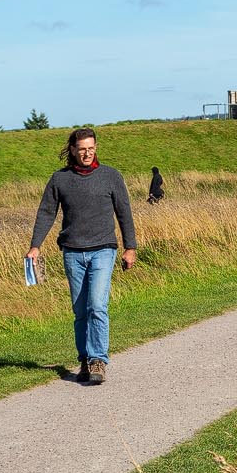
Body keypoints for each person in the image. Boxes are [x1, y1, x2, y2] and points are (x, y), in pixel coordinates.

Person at [27, 127, 136, 386]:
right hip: (73, 251)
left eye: (91, 148)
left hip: (103, 249)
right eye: (82, 149)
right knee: (80, 310)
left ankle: (99, 359)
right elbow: (46, 213)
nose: (87, 153)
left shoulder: (111, 176)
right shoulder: (59, 179)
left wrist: (130, 247)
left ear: (96, 148)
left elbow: (124, 213)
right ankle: (85, 360)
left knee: (97, 305)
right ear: (73, 150)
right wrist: (35, 246)